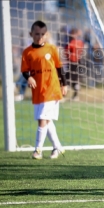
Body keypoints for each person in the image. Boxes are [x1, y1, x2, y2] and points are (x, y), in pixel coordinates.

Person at [20, 20, 68, 159]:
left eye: (42, 34)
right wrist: (28, 78)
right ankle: (57, 147)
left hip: (52, 90)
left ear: (46, 35)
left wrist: (64, 84)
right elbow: (25, 71)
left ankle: (38, 150)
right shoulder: (27, 52)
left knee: (42, 119)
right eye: (36, 34)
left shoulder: (52, 49)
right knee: (46, 121)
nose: (39, 36)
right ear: (31, 34)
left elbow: (60, 68)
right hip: (38, 91)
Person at [65, 28, 84, 101]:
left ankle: (72, 96)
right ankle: (75, 96)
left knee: (68, 80)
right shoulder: (80, 42)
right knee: (73, 80)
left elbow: (67, 51)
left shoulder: (71, 43)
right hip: (77, 63)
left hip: (73, 63)